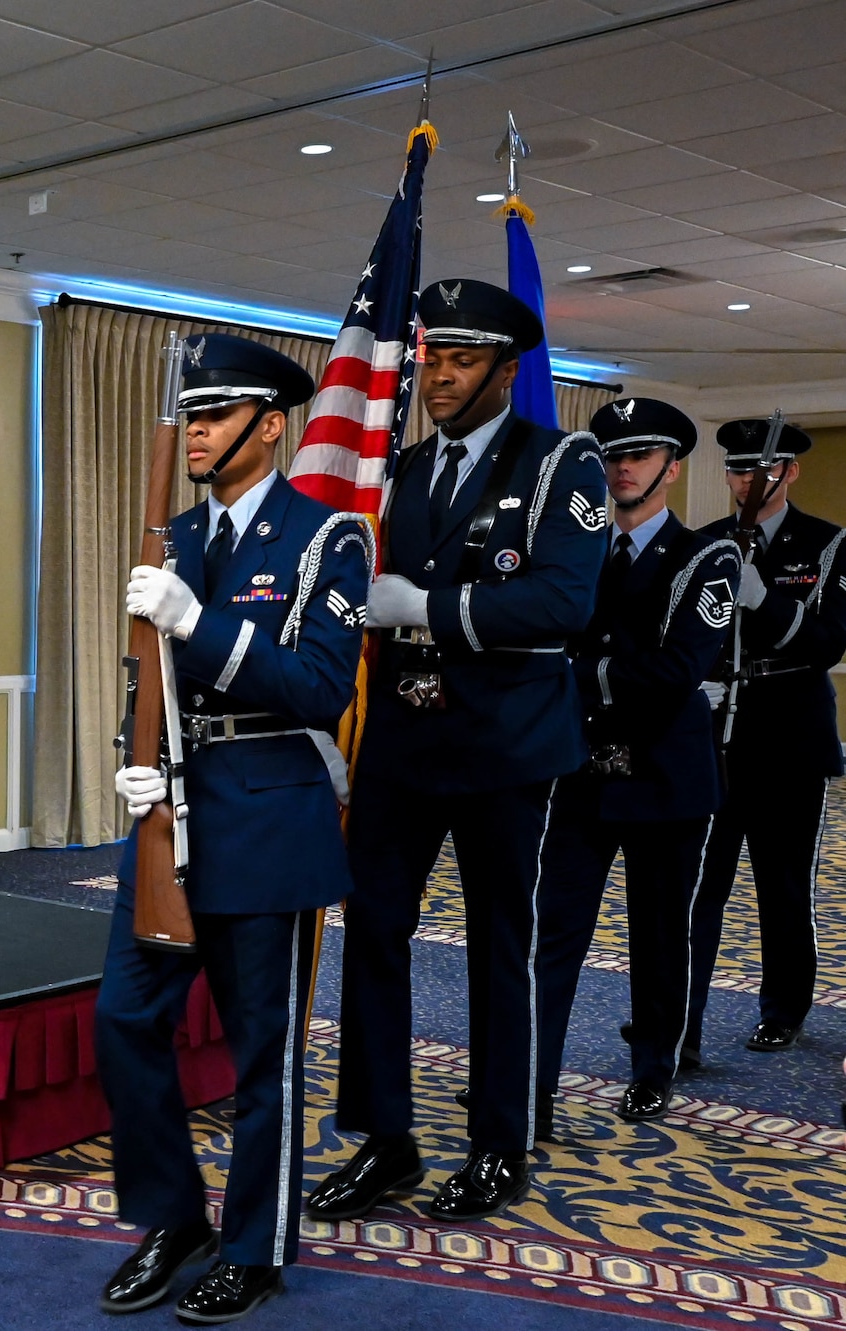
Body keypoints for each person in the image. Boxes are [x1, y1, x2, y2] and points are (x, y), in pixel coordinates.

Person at [310, 280, 606, 1224]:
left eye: (463, 359)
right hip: (403, 734)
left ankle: (498, 1141)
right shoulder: (398, 470)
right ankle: (386, 1137)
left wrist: (432, 609)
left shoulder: (563, 462)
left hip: (505, 743)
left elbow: (564, 603)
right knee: (375, 932)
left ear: (505, 371)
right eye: (434, 356)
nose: (439, 375)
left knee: (499, 944)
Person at [102, 334, 370, 1324]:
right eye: (193, 413)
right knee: (124, 1020)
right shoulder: (168, 534)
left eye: (218, 414)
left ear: (271, 422)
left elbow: (317, 683)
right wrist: (130, 760)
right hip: (168, 816)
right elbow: (144, 678)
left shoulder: (325, 538)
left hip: (267, 815)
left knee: (262, 1051)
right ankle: (174, 1217)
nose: (199, 431)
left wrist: (196, 620)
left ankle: (254, 1247)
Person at [530, 398, 738, 1127]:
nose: (622, 467)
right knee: (552, 931)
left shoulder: (706, 557)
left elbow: (678, 666)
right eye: (613, 455)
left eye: (640, 455)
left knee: (658, 934)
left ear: (672, 469)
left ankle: (654, 1066)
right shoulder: (575, 548)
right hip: (581, 771)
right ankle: (531, 1075)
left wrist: (571, 674)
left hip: (665, 779)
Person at [687, 420, 845, 1053]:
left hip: (789, 735)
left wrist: (763, 600)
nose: (749, 481)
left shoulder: (831, 547)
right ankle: (682, 1018)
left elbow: (827, 641)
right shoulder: (703, 544)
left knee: (781, 882)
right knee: (697, 885)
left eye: (764, 470)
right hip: (709, 733)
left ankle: (783, 1009)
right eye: (739, 469)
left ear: (791, 472)